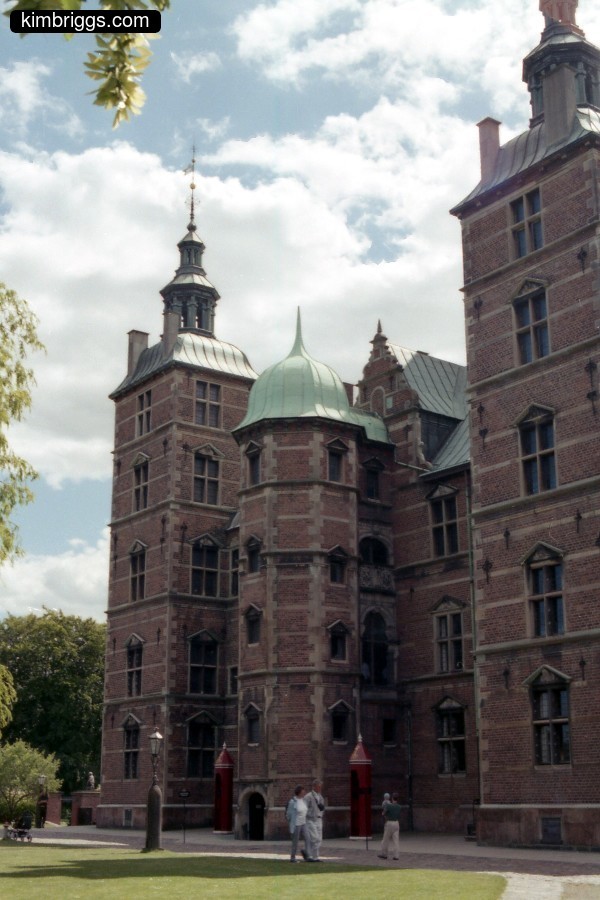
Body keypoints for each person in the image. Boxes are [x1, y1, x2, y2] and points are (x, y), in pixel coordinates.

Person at [286, 785, 308, 862]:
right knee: (295, 841)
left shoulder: (304, 800)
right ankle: (293, 858)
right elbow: (288, 814)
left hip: (304, 822)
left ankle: (306, 853)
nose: (304, 793)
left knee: (308, 838)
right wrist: (291, 822)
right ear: (299, 792)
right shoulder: (293, 802)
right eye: (302, 792)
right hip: (296, 824)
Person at [305, 778, 326, 861]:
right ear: (314, 787)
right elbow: (305, 808)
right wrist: (309, 815)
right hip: (310, 819)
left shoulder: (320, 797)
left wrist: (321, 813)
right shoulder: (308, 796)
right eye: (318, 787)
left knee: (319, 839)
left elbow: (322, 808)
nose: (320, 788)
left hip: (319, 819)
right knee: (315, 838)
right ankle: (309, 855)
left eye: (320, 787)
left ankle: (314, 856)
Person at [378, 791, 401, 861]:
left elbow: (383, 813)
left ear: (392, 798)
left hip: (389, 823)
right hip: (396, 823)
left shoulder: (388, 805)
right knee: (396, 841)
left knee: (385, 839)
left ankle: (384, 854)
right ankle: (396, 856)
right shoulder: (399, 807)